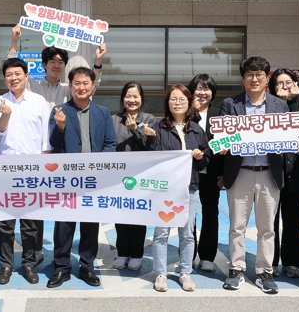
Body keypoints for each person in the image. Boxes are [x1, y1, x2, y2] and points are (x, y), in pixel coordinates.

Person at [9, 23, 107, 264]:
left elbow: (91, 86)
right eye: (52, 61)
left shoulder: (69, 88)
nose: (56, 64)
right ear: (44, 64)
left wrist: (97, 61)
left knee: (66, 204)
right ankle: (37, 249)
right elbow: (14, 73)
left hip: (63, 151)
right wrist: (14, 43)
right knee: (37, 201)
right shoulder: (32, 86)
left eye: (61, 62)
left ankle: (74, 257)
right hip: (38, 150)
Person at [220, 56, 288, 295]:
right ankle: (236, 269)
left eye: (259, 75)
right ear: (243, 78)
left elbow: (288, 134)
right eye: (250, 74)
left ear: (267, 78)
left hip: (270, 173)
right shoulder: (230, 104)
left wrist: (294, 143)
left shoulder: (279, 105)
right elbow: (221, 135)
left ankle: (264, 271)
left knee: (267, 227)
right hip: (241, 173)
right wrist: (223, 144)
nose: (255, 79)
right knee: (237, 226)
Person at [47, 66, 116, 288]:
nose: (81, 87)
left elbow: (110, 143)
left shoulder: (102, 112)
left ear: (93, 85)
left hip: (93, 179)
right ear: (70, 85)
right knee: (64, 225)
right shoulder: (59, 110)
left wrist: (97, 165)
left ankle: (87, 266)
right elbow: (54, 144)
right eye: (77, 83)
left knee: (90, 224)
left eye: (86, 83)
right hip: (67, 178)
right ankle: (61, 267)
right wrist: (60, 126)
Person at [0, 58, 52, 285]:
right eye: (9, 75)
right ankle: (6, 265)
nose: (13, 78)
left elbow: (46, 136)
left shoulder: (39, 101)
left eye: (17, 74)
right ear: (4, 78)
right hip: (5, 168)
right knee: (5, 222)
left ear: (26, 76)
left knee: (29, 222)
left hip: (32, 169)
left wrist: (45, 164)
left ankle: (29, 264)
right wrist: (6, 113)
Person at [148, 85, 210, 292]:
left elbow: (206, 160)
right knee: (161, 233)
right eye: (173, 99)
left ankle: (185, 273)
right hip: (164, 189)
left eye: (182, 99)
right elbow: (152, 158)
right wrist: (150, 139)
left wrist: (200, 157)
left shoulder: (196, 129)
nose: (177, 103)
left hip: (189, 188)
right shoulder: (158, 127)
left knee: (187, 234)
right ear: (167, 103)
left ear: (189, 102)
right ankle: (160, 274)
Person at [268, 69, 299, 279]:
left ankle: (292, 262)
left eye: (288, 82)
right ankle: (270, 261)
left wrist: (292, 102)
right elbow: (273, 128)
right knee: (270, 219)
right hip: (272, 170)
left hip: (296, 171)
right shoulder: (268, 105)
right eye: (280, 83)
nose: (285, 87)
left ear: (296, 84)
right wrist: (281, 103)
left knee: (294, 219)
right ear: (272, 87)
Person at [111, 81, 156, 271]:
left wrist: (134, 129)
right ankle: (122, 253)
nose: (132, 100)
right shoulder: (114, 119)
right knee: (120, 215)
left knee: (138, 215)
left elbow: (151, 145)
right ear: (123, 98)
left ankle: (136, 254)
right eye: (128, 96)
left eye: (135, 96)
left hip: (141, 176)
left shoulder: (149, 119)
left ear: (141, 98)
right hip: (118, 176)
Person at [188, 74, 224, 273]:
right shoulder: (184, 112)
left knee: (210, 213)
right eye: (199, 88)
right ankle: (188, 255)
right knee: (188, 215)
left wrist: (223, 172)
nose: (202, 93)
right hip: (189, 173)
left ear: (213, 93)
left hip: (212, 172)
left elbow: (227, 143)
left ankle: (207, 256)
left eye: (207, 89)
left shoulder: (219, 114)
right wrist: (192, 111)